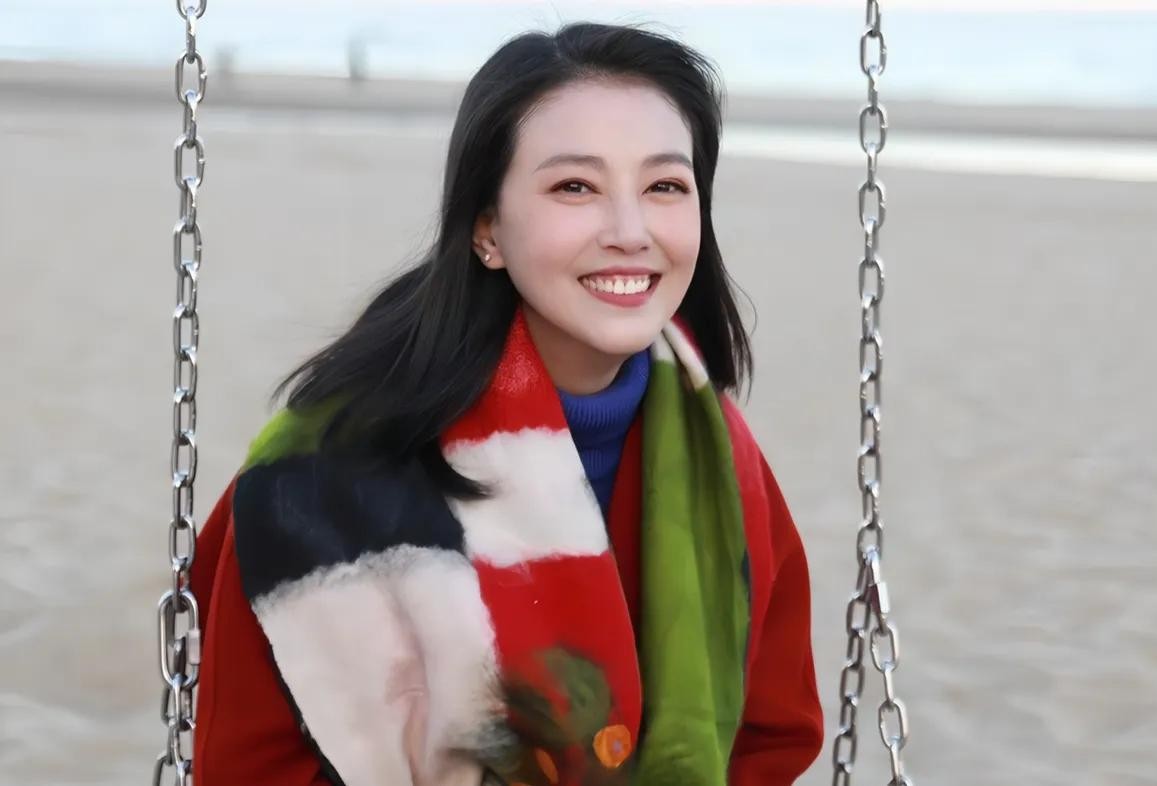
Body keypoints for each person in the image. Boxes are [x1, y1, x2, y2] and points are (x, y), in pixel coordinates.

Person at [189, 20, 823, 786]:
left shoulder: (719, 456)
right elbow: (246, 763)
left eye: (664, 186)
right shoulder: (326, 475)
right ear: (487, 227)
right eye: (575, 187)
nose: (630, 232)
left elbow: (773, 737)